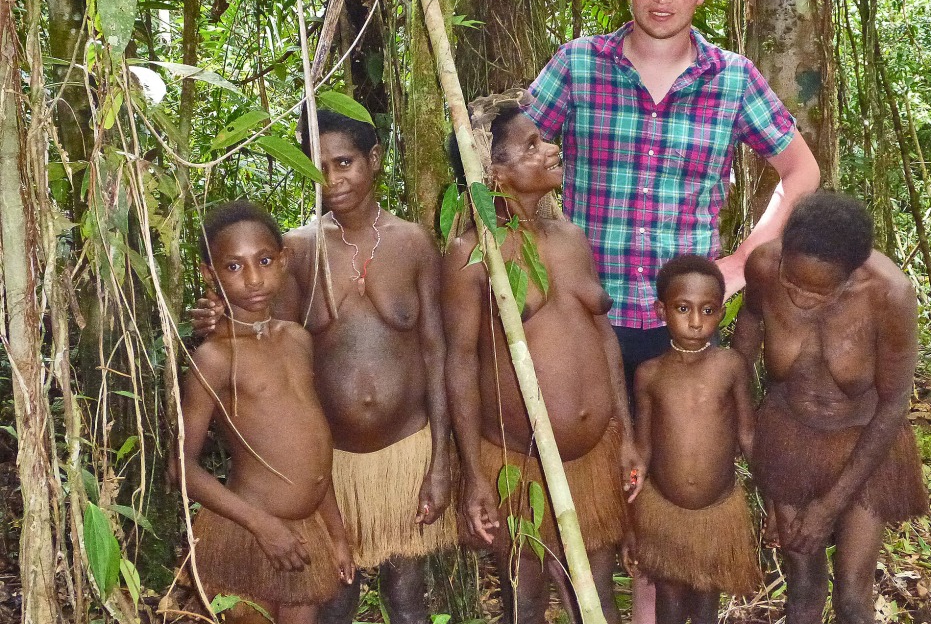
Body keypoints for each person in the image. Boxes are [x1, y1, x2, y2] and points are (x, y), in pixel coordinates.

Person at [523, 0, 821, 397]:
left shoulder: (733, 79)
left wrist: (741, 263)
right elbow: (512, 157)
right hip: (583, 310)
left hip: (687, 319)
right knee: (586, 460)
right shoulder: (577, 65)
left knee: (685, 466)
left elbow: (801, 170)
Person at [191, 112, 454, 624]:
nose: (331, 180)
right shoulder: (294, 250)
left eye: (344, 163)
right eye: (318, 167)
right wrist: (218, 319)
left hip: (406, 449)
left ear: (373, 160)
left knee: (407, 595)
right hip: (332, 465)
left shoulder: (414, 243)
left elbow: (438, 353)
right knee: (334, 598)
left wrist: (442, 459)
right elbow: (268, 347)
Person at [443, 94, 640, 624]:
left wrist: (623, 432)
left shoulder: (572, 238)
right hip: (515, 461)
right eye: (531, 145)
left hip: (593, 456)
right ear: (495, 172)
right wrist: (475, 475)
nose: (551, 149)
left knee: (596, 595)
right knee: (523, 598)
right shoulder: (472, 255)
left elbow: (602, 339)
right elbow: (459, 364)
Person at [732, 191, 929, 624]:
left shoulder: (890, 294)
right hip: (788, 435)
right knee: (802, 586)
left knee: (853, 597)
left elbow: (894, 402)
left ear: (850, 276)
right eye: (792, 283)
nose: (801, 300)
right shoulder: (763, 267)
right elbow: (739, 357)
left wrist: (829, 506)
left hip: (864, 442)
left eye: (819, 293)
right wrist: (751, 440)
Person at [171, 201, 355, 624]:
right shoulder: (215, 358)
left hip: (305, 531)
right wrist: (262, 526)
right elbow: (181, 467)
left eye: (265, 260)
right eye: (234, 267)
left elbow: (314, 448)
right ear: (209, 274)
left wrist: (337, 534)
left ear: (284, 260)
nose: (254, 279)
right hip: (248, 531)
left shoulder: (296, 339)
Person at [629, 255, 761, 624]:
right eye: (683, 308)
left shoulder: (730, 365)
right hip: (665, 510)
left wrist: (774, 502)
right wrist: (631, 525)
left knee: (706, 601)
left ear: (720, 313)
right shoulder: (649, 374)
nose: (695, 320)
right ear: (661, 310)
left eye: (707, 310)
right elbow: (641, 453)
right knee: (668, 601)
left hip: (717, 511)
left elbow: (747, 436)